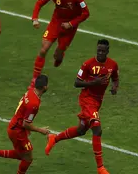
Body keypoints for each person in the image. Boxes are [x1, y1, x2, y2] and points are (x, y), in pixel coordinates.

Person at [45, 39, 119, 174]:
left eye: (103, 51)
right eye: (98, 50)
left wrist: (115, 87)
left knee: (81, 130)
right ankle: (100, 168)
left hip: (97, 102)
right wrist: (93, 82)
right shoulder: (88, 64)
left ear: (107, 51)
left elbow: (115, 78)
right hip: (87, 99)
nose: (100, 53)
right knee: (97, 128)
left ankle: (54, 138)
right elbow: (76, 83)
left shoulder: (112, 65)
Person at [29, 0, 90, 88]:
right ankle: (35, 79)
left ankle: (60, 54)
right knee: (43, 49)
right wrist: (35, 18)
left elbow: (86, 13)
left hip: (69, 27)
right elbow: (39, 3)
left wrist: (71, 24)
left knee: (58, 54)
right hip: (56, 23)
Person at [0, 75, 50, 174]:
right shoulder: (34, 104)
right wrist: (41, 130)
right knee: (27, 158)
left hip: (15, 126)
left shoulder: (31, 91)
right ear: (45, 87)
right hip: (17, 131)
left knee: (23, 155)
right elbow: (26, 124)